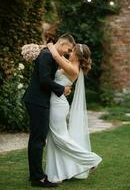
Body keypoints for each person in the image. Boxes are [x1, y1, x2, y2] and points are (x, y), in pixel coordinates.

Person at [22, 33, 75, 188]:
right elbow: (44, 80)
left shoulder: (49, 54)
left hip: (39, 101)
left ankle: (36, 175)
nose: (68, 52)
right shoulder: (46, 55)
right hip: (37, 101)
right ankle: (38, 178)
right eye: (69, 49)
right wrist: (62, 89)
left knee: (37, 138)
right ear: (63, 43)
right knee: (38, 139)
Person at [44, 43, 102, 183]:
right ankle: (56, 173)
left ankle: (91, 159)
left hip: (58, 105)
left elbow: (56, 56)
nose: (70, 51)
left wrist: (50, 45)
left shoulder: (73, 69)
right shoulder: (69, 63)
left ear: (77, 55)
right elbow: (59, 58)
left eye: (73, 50)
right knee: (54, 139)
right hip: (56, 102)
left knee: (60, 138)